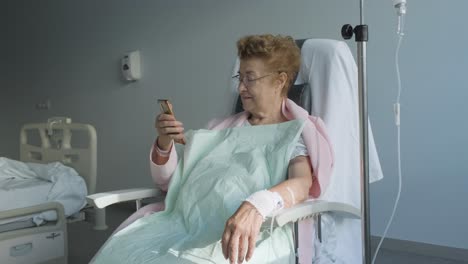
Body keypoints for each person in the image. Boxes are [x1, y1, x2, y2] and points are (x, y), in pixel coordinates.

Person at [97, 34, 333, 264]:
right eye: (239, 77)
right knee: (121, 251)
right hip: (180, 225)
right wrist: (164, 142)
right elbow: (171, 184)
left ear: (279, 81)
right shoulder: (218, 130)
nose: (241, 87)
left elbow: (302, 183)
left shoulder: (292, 133)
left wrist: (257, 204)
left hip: (242, 236)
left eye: (250, 78)